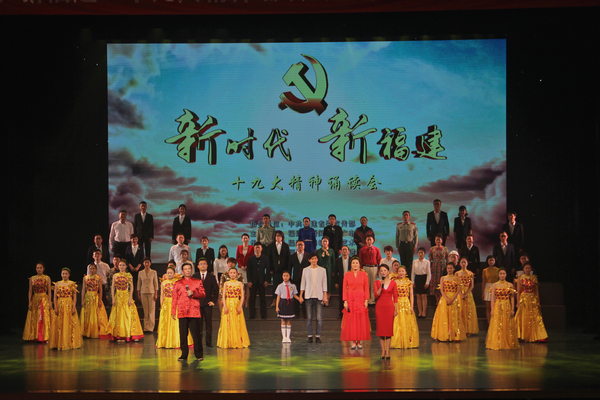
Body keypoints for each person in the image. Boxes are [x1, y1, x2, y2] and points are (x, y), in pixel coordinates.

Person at [172, 263, 205, 361]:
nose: (188, 271)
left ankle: (199, 354)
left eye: (189, 269)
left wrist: (193, 293)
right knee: (183, 334)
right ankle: (184, 354)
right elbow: (174, 298)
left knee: (196, 333)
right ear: (182, 271)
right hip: (182, 310)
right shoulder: (178, 283)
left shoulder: (197, 281)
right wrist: (173, 311)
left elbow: (203, 294)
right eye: (185, 269)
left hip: (194, 310)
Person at [155, 265, 193, 349]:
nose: (169, 274)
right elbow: (162, 295)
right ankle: (165, 341)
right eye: (168, 273)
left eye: (171, 273)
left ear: (174, 273)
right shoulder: (163, 283)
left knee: (176, 321)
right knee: (166, 321)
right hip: (166, 304)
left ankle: (177, 341)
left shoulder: (177, 282)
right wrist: (162, 305)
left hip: (175, 303)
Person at [107, 260, 144, 342]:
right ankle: (119, 335)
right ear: (118, 266)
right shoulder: (115, 275)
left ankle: (130, 334)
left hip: (126, 296)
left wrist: (130, 298)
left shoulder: (129, 275)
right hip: (118, 296)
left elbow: (131, 287)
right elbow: (112, 287)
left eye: (123, 265)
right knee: (118, 315)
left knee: (128, 314)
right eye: (120, 265)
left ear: (126, 266)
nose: (121, 267)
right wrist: (113, 298)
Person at [340, 257, 371, 349]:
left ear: (359, 264)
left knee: (360, 321)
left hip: (360, 299)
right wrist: (345, 301)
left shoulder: (364, 274)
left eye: (357, 263)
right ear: (351, 264)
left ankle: (359, 341)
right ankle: (353, 341)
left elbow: (366, 288)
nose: (355, 265)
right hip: (351, 299)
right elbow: (344, 288)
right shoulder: (347, 275)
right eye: (353, 263)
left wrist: (366, 300)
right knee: (352, 321)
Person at [431, 263, 466, 342]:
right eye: (448, 268)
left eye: (451, 268)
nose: (449, 269)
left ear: (454, 269)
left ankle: (454, 336)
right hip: (444, 299)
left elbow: (458, 291)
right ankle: (443, 335)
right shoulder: (443, 278)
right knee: (444, 316)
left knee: (454, 317)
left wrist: (452, 299)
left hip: (454, 299)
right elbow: (441, 290)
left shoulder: (457, 279)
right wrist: (447, 299)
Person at [485, 268, 519, 350]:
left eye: (504, 273)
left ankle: (507, 342)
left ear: (506, 274)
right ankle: (498, 342)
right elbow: (492, 298)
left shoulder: (510, 285)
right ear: (498, 275)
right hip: (498, 305)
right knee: (497, 324)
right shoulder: (494, 285)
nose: (502, 275)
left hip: (507, 305)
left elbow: (512, 298)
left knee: (507, 324)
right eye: (501, 273)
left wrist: (512, 309)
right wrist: (492, 310)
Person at [49, 268, 82, 350]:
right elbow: (54, 297)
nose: (64, 275)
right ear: (61, 274)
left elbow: (74, 297)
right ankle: (59, 342)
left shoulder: (72, 284)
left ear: (69, 275)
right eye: (63, 273)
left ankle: (69, 342)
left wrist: (73, 307)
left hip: (69, 304)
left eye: (66, 273)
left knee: (69, 322)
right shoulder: (57, 283)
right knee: (60, 323)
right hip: (60, 304)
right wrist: (55, 307)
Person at [217, 267, 250, 348]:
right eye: (231, 273)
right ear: (229, 274)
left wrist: (240, 306)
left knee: (237, 322)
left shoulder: (239, 283)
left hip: (236, 304)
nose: (232, 274)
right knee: (227, 323)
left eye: (234, 273)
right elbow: (223, 296)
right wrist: (224, 306)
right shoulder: (226, 283)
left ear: (237, 274)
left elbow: (242, 296)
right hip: (228, 303)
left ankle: (237, 341)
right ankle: (228, 342)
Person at [515, 263, 548, 342]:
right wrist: (518, 302)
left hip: (532, 299)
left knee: (534, 316)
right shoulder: (520, 278)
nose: (527, 269)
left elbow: (536, 291)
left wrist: (538, 302)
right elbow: (518, 291)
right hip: (524, 299)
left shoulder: (534, 278)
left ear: (531, 269)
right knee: (523, 316)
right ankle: (522, 335)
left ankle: (536, 335)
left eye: (529, 268)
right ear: (523, 269)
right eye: (526, 268)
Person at [300, 253, 328, 343]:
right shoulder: (305, 270)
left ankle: (318, 336)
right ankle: (310, 336)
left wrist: (325, 295)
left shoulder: (322, 270)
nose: (314, 260)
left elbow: (324, 283)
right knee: (309, 318)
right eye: (312, 259)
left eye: (315, 258)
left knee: (319, 318)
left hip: (319, 296)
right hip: (308, 296)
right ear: (309, 260)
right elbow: (303, 283)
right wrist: (301, 295)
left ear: (317, 259)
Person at [390, 264, 419, 349]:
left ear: (406, 272)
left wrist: (411, 306)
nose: (401, 273)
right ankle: (398, 341)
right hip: (397, 303)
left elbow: (411, 295)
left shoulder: (409, 282)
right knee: (397, 322)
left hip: (406, 303)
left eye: (402, 271)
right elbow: (393, 295)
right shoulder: (394, 282)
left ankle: (407, 341)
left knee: (407, 322)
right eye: (399, 271)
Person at [23, 262, 53, 342]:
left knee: (43, 316)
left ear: (43, 269)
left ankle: (45, 336)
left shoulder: (47, 278)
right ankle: (34, 336)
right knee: (34, 317)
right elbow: (30, 291)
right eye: (37, 268)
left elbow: (49, 291)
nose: (39, 269)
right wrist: (29, 302)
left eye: (40, 268)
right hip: (35, 299)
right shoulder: (32, 278)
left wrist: (49, 302)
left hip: (43, 298)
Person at [374, 264, 398, 359]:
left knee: (388, 330)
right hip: (380, 307)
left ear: (388, 271)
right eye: (381, 271)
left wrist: (396, 309)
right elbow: (376, 295)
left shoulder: (393, 283)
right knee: (381, 330)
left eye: (384, 270)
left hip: (389, 307)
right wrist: (381, 286)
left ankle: (388, 352)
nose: (383, 272)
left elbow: (395, 297)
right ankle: (382, 351)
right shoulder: (376, 282)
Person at [81, 263, 110, 339]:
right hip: (87, 297)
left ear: (96, 269)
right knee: (88, 314)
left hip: (95, 297)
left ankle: (95, 331)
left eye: (93, 268)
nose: (92, 270)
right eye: (91, 268)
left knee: (96, 314)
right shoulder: (85, 278)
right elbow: (83, 289)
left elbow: (100, 290)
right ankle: (87, 331)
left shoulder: (98, 278)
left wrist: (100, 300)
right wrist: (82, 300)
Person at [198, 258, 219, 347]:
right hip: (197, 304)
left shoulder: (211, 277)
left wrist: (213, 301)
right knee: (198, 324)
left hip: (208, 304)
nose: (203, 265)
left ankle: (208, 342)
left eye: (204, 264)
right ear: (198, 266)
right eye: (201, 264)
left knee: (208, 323)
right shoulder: (195, 276)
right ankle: (198, 341)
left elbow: (216, 290)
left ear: (207, 265)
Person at [275, 271, 301, 343]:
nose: (285, 277)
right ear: (282, 277)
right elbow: (278, 297)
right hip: (283, 303)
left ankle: (288, 337)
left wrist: (299, 299)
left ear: (289, 276)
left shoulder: (293, 286)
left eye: (287, 275)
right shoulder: (280, 286)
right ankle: (284, 337)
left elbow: (294, 295)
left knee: (289, 320)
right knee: (283, 320)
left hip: (290, 303)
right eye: (284, 276)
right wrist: (277, 306)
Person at [247, 242, 269, 319]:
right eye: (256, 247)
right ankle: (252, 315)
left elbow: (267, 270)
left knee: (262, 299)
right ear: (254, 249)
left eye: (259, 247)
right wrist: (249, 281)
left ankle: (263, 315)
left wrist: (266, 280)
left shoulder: (265, 258)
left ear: (261, 248)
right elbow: (248, 270)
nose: (257, 249)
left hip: (262, 281)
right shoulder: (250, 258)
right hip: (253, 281)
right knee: (252, 299)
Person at [456, 257, 479, 336]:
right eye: (462, 262)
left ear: (467, 263)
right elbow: (456, 285)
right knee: (460, 310)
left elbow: (472, 286)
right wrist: (460, 294)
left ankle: (468, 329)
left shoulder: (470, 273)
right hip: (459, 293)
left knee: (468, 311)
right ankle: (460, 329)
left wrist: (466, 294)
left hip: (468, 293)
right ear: (459, 263)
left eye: (464, 262)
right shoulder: (457, 273)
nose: (463, 264)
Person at [137, 257, 158, 332]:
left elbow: (156, 284)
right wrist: (138, 294)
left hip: (151, 292)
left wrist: (156, 294)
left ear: (150, 263)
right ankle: (146, 327)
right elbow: (139, 284)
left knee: (151, 311)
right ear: (143, 263)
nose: (146, 264)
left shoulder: (153, 272)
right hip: (143, 293)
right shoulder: (140, 273)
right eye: (145, 262)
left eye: (148, 262)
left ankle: (151, 327)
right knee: (145, 311)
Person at [270, 230, 291, 306]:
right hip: (275, 269)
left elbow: (288, 258)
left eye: (279, 236)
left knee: (284, 285)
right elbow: (269, 258)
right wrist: (270, 269)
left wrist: (288, 270)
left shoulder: (286, 246)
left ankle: (283, 300)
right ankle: (274, 300)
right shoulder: (271, 246)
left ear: (282, 237)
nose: (278, 237)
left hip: (284, 269)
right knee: (275, 285)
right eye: (276, 236)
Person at [359, 235, 382, 305]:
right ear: (365, 241)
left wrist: (379, 270)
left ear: (373, 240)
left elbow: (379, 260)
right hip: (365, 268)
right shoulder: (362, 250)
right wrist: (361, 270)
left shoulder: (376, 249)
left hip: (374, 268)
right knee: (366, 284)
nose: (369, 241)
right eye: (368, 240)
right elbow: (360, 260)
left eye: (370, 240)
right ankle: (367, 299)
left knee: (373, 284)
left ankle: (373, 300)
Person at [289, 240, 309, 318]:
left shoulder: (308, 256)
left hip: (306, 279)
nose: (300, 246)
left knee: (305, 296)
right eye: (298, 245)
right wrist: (290, 279)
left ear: (304, 246)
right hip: (295, 279)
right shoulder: (292, 256)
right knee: (296, 296)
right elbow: (289, 268)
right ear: (296, 246)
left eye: (301, 245)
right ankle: (296, 313)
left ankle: (305, 313)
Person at [396, 211, 418, 277]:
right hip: (402, 244)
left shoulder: (413, 225)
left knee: (409, 262)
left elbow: (416, 236)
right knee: (403, 261)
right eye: (404, 215)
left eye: (407, 215)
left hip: (410, 244)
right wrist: (397, 246)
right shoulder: (399, 225)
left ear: (409, 217)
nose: (406, 216)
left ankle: (409, 278)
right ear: (402, 217)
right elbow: (397, 236)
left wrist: (415, 246)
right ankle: (403, 277)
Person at [411, 247, 431, 319]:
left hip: (424, 278)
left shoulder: (427, 262)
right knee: (418, 296)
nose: (420, 254)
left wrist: (427, 282)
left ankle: (424, 312)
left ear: (424, 253)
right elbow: (412, 273)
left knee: (424, 296)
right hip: (417, 278)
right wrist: (412, 282)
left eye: (422, 252)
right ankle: (420, 312)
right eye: (419, 252)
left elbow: (429, 273)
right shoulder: (415, 261)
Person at [428, 234, 449, 303]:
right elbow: (430, 260)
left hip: (443, 267)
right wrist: (429, 268)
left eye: (439, 239)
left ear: (442, 240)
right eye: (437, 239)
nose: (438, 241)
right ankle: (437, 300)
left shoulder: (445, 249)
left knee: (442, 282)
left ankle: (442, 299)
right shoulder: (432, 249)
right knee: (435, 282)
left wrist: (448, 268)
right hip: (435, 267)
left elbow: (447, 259)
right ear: (434, 241)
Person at [236, 233, 254, 307]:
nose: (245, 239)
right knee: (241, 285)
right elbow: (237, 257)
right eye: (244, 238)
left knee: (247, 285)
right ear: (241, 239)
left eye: (246, 238)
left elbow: (252, 258)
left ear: (248, 239)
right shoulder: (239, 247)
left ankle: (247, 302)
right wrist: (241, 265)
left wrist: (247, 266)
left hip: (248, 268)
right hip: (241, 268)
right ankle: (242, 301)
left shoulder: (251, 247)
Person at [317, 236, 336, 304]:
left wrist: (333, 271)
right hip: (321, 269)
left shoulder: (331, 251)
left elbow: (333, 262)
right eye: (323, 241)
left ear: (328, 242)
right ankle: (322, 299)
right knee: (321, 284)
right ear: (321, 242)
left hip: (329, 269)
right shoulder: (318, 251)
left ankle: (327, 299)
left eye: (326, 241)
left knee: (328, 284)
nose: (325, 242)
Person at [482, 255, 500, 325]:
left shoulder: (498, 270)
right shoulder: (485, 270)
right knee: (488, 307)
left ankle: (495, 323)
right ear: (487, 261)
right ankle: (489, 324)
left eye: (493, 260)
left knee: (495, 307)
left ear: (495, 261)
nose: (491, 262)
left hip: (495, 287)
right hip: (487, 287)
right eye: (490, 260)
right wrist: (483, 292)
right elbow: (484, 281)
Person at [126, 234, 144, 300]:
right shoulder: (128, 248)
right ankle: (131, 299)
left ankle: (137, 299)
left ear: (137, 240)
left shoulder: (141, 248)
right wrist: (131, 266)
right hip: (130, 269)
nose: (134, 240)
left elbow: (142, 258)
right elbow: (127, 258)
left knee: (138, 284)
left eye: (136, 239)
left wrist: (137, 267)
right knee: (131, 284)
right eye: (133, 239)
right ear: (131, 240)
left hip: (138, 269)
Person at [335, 245, 352, 316]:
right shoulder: (338, 260)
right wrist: (336, 282)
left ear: (348, 251)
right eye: (343, 250)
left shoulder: (352, 260)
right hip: (341, 281)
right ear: (341, 252)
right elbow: (335, 272)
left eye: (345, 250)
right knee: (342, 297)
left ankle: (350, 312)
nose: (344, 251)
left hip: (351, 282)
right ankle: (341, 313)